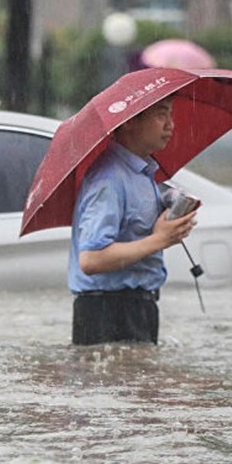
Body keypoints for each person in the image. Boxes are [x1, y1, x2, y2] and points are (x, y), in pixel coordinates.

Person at [68, 97, 198, 345]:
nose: (171, 125)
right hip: (107, 310)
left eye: (171, 115)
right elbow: (91, 259)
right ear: (129, 122)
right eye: (161, 115)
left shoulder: (144, 173)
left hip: (138, 305)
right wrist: (160, 239)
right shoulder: (108, 179)